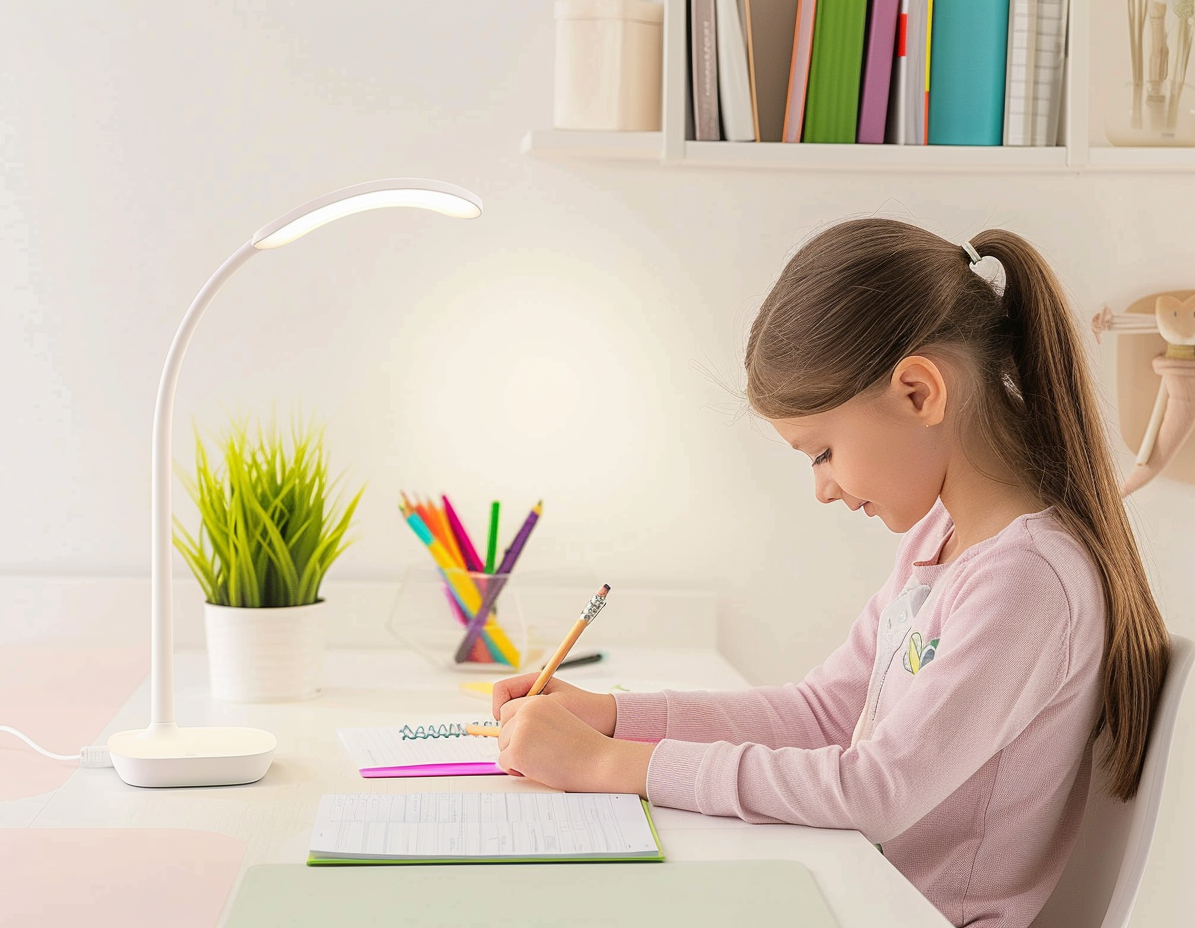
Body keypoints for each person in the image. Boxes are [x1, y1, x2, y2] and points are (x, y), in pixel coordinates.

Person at [492, 218, 1171, 928]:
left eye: (821, 451)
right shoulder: (943, 542)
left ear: (918, 392)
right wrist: (615, 721)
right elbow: (823, 715)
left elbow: (876, 791)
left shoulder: (1028, 581)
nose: (822, 487)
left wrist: (613, 767)